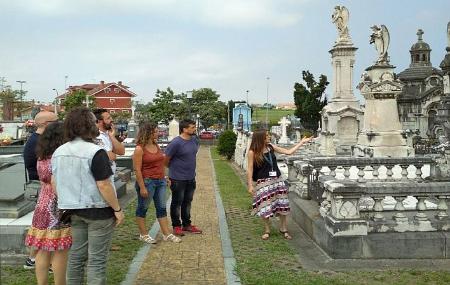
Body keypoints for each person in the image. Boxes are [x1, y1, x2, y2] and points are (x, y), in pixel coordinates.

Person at [51, 107, 124, 285]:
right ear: (90, 125)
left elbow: (55, 182)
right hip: (98, 210)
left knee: (76, 257)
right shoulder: (95, 151)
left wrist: (67, 200)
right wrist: (117, 208)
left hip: (72, 210)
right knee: (97, 260)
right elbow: (104, 184)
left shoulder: (59, 151)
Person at [24, 122, 71, 285]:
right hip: (56, 206)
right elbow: (56, 183)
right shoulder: (59, 158)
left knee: (43, 250)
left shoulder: (41, 157)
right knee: (59, 250)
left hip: (41, 204)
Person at [247, 129, 312, 240]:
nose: (269, 137)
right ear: (260, 138)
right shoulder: (252, 152)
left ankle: (283, 228)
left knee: (282, 204)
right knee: (265, 206)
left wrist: (301, 142)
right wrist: (250, 185)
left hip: (277, 180)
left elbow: (289, 152)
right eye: (267, 136)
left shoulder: (271, 147)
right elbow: (250, 169)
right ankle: (267, 230)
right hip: (263, 182)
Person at [133, 122, 181, 243]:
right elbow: (137, 169)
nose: (157, 133)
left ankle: (166, 233)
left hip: (160, 181)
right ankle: (143, 234)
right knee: (143, 208)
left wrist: (165, 176)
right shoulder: (139, 149)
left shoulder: (156, 146)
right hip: (147, 181)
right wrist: (142, 187)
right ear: (147, 133)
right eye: (155, 131)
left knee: (161, 208)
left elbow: (160, 163)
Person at [23, 110, 58, 270]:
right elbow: (43, 170)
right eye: (55, 121)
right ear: (46, 124)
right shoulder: (39, 142)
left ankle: (34, 259)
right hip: (44, 186)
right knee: (46, 227)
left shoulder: (40, 140)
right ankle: (37, 259)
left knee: (42, 227)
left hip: (46, 186)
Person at [164, 119, 202, 236]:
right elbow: (166, 160)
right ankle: (176, 225)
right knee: (177, 202)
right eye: (192, 127)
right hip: (177, 179)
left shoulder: (194, 140)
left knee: (187, 202)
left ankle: (187, 224)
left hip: (190, 178)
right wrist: (169, 175)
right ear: (184, 129)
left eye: (194, 127)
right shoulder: (176, 143)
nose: (194, 129)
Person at [93, 108, 125, 178]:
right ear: (100, 122)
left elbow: (121, 151)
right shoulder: (97, 136)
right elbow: (112, 157)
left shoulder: (109, 134)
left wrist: (112, 137)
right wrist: (113, 151)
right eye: (108, 118)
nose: (111, 120)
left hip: (111, 175)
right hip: (103, 177)